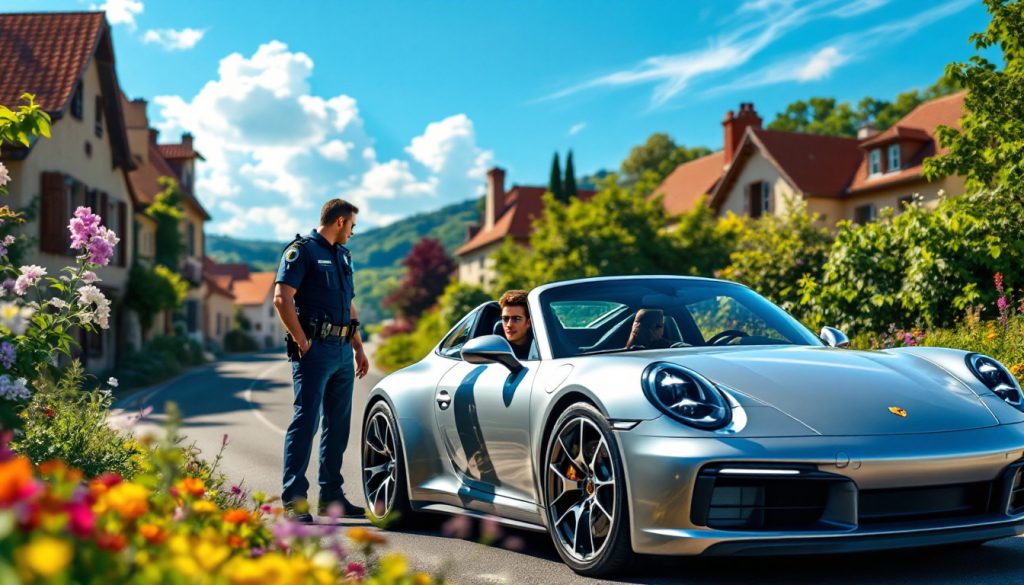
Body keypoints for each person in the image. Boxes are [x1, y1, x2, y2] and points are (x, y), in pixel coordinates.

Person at [274, 198, 370, 522]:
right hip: (314, 352)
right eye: (352, 226)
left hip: (343, 351)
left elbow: (350, 306)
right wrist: (302, 341)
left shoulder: (344, 255)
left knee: (338, 427)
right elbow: (281, 298)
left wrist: (358, 347)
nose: (353, 233)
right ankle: (294, 502)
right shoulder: (302, 251)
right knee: (306, 424)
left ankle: (331, 497)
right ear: (340, 221)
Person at [499, 289, 533, 360]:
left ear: (528, 323)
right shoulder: (493, 349)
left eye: (516, 319)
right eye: (505, 318)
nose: (509, 325)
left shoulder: (543, 346)